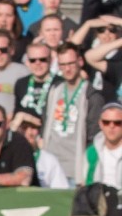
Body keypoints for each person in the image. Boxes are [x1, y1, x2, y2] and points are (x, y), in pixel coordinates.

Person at [43, 43, 106, 185]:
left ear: (80, 62)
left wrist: (87, 171)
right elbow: (46, 125)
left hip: (75, 169)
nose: (67, 68)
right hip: (51, 169)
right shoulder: (54, 90)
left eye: (71, 63)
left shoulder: (92, 96)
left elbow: (94, 137)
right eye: (63, 64)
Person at [82, 102, 122, 187]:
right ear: (100, 124)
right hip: (98, 198)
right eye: (106, 122)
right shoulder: (91, 152)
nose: (111, 126)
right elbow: (84, 183)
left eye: (117, 123)